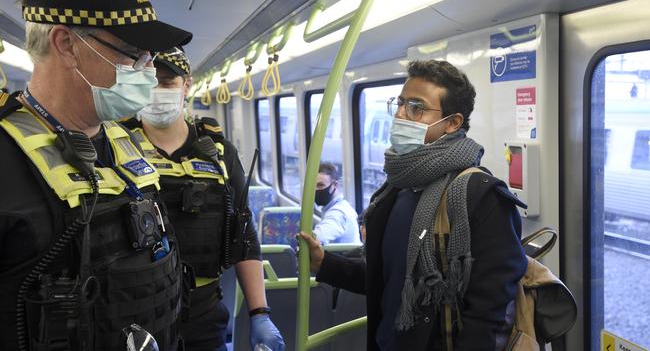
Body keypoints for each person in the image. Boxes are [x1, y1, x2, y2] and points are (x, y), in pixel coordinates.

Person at [0, 0, 193, 350]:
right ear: (67, 45)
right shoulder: (6, 158)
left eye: (150, 57)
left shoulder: (126, 143)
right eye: (135, 54)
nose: (148, 72)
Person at [300, 60, 528, 351]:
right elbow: (390, 278)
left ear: (453, 123)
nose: (400, 114)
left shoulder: (481, 197)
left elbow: (489, 314)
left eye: (416, 107)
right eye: (400, 103)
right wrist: (326, 265)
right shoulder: (396, 189)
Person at [128, 47, 284, 351]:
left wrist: (259, 312)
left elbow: (244, 236)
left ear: (187, 85)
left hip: (204, 313)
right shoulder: (114, 147)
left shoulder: (220, 154)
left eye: (167, 82)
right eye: (148, 80)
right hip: (135, 314)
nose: (156, 90)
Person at [313, 162, 361, 245]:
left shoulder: (338, 212)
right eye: (313, 186)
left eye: (320, 185)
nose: (315, 190)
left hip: (344, 257)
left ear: (335, 185)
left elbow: (317, 238)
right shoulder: (338, 205)